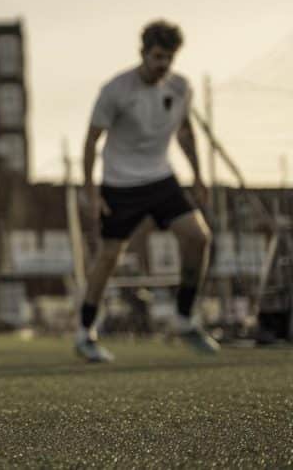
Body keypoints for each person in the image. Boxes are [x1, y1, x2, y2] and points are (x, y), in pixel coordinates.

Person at [76, 20, 219, 362]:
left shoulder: (181, 87)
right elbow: (92, 141)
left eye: (168, 58)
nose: (162, 65)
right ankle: (85, 333)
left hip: (161, 179)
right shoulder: (115, 90)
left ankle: (184, 319)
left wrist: (198, 176)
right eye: (157, 57)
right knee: (109, 257)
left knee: (199, 238)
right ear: (143, 53)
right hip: (120, 183)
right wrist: (91, 191)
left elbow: (185, 133)